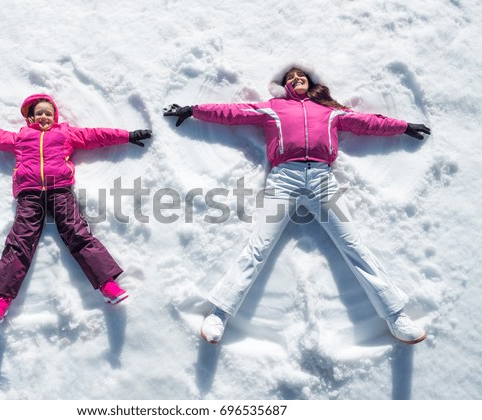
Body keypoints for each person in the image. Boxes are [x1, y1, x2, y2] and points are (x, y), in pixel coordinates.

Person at [164, 65, 430, 345]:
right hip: (284, 179)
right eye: (290, 77)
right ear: (285, 85)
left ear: (310, 81)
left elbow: (367, 122)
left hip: (322, 179)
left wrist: (403, 127)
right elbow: (232, 113)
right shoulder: (273, 108)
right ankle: (219, 313)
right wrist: (193, 109)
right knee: (259, 247)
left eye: (300, 75)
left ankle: (395, 315)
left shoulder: (329, 111)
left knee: (353, 245)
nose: (295, 78)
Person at [0, 93, 152, 324]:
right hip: (29, 194)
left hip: (60, 190)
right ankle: (0, 301)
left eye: (48, 113)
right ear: (30, 118)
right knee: (20, 242)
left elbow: (96, 136)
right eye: (38, 113)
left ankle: (108, 286)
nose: (43, 117)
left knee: (77, 234)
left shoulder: (65, 134)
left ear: (55, 117)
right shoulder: (20, 137)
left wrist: (127, 136)